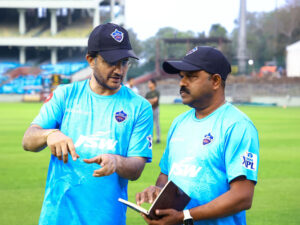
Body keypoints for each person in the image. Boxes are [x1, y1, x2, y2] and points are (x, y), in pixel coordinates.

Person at [22, 23, 153, 225]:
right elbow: (28, 140)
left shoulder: (139, 107)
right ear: (91, 60)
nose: (119, 70)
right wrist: (50, 134)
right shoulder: (65, 95)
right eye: (111, 62)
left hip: (107, 219)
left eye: (124, 62)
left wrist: (116, 162)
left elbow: (136, 168)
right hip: (57, 218)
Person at [136, 46, 259, 225]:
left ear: (216, 81)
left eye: (191, 76)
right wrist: (158, 193)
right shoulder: (179, 122)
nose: (182, 82)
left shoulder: (238, 126)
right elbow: (166, 175)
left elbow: (243, 196)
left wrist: (184, 216)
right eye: (181, 76)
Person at [145, 79, 161, 143]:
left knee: (157, 124)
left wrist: (150, 100)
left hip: (155, 109)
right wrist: (151, 100)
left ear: (153, 84)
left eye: (150, 83)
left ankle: (158, 138)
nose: (148, 85)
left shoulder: (157, 92)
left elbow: (155, 100)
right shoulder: (148, 93)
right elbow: (146, 102)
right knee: (149, 124)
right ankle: (150, 138)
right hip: (149, 110)